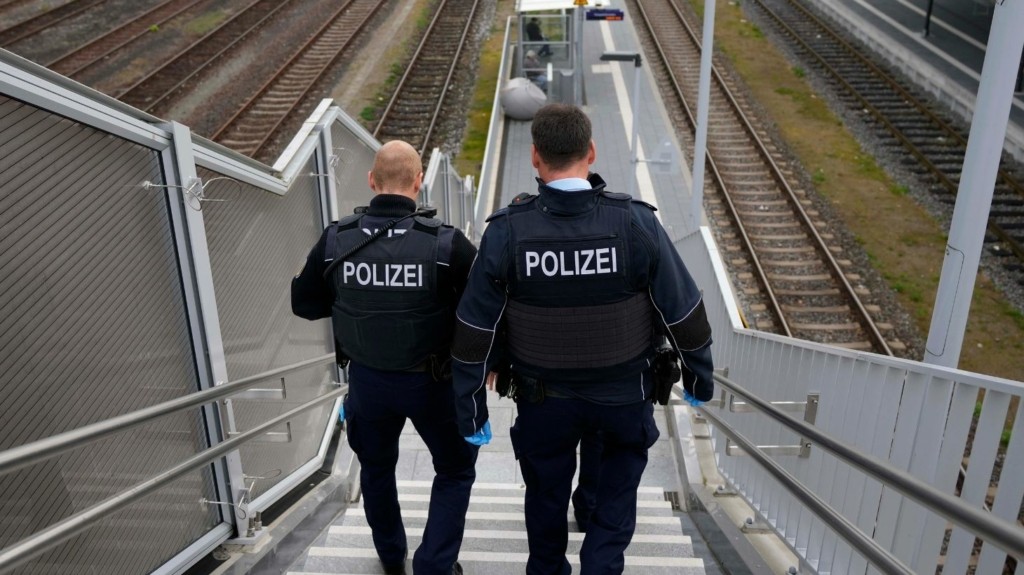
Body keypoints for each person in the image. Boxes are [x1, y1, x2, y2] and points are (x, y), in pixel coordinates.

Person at [451, 103, 715, 574]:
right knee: (615, 492)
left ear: (535, 157)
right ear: (591, 151)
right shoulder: (635, 223)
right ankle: (601, 561)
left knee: (546, 494)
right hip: (623, 397)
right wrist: (700, 381)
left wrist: (470, 408)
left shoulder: (507, 232)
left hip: (543, 402)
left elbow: (474, 331)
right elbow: (685, 312)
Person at [291, 140, 479, 575]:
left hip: (369, 383)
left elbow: (305, 304)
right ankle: (434, 565)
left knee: (376, 469)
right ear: (419, 184)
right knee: (454, 470)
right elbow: (480, 313)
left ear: (372, 182)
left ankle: (391, 556)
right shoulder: (447, 245)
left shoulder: (337, 239)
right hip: (434, 384)